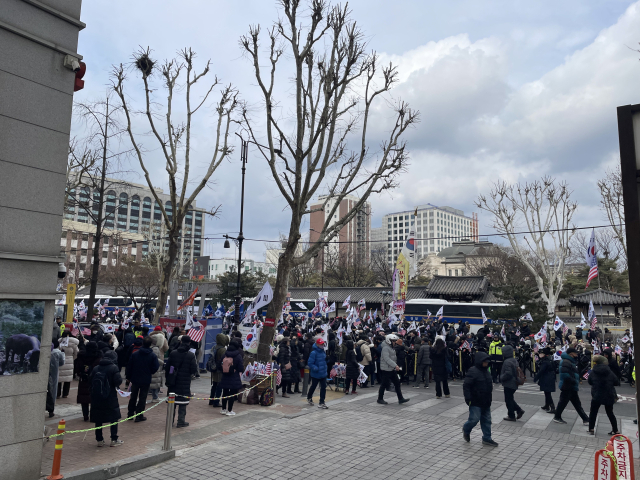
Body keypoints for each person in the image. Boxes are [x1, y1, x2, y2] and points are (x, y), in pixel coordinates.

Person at [462, 352, 498, 446]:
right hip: (475, 400)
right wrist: (468, 398)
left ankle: (487, 438)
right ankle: (466, 429)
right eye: (484, 362)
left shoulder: (487, 371)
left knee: (487, 420)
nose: (486, 363)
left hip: (486, 400)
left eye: (487, 362)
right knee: (474, 419)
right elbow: (466, 386)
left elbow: (489, 386)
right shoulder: (473, 371)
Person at [90, 350, 124, 447]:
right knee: (114, 418)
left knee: (98, 419)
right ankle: (114, 439)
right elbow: (118, 381)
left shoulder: (96, 368)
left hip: (97, 397)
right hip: (110, 396)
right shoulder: (113, 368)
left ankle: (99, 439)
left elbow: (90, 380)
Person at [165, 335, 198, 427]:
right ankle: (181, 421)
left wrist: (168, 377)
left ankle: (170, 421)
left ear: (180, 342)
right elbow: (193, 369)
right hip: (185, 381)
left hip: (173, 381)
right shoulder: (191, 355)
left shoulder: (173, 353)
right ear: (189, 342)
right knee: (183, 401)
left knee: (172, 401)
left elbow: (167, 367)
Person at [125, 336, 159, 422]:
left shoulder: (135, 354)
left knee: (133, 396)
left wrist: (128, 377)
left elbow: (129, 366)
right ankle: (139, 415)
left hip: (135, 378)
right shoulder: (152, 355)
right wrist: (149, 372)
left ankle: (130, 413)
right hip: (146, 378)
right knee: (142, 397)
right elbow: (155, 367)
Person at [553, 348, 589, 425]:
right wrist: (574, 381)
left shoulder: (569, 361)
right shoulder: (566, 362)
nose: (577, 355)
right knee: (564, 403)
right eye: (575, 353)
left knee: (576, 403)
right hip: (567, 385)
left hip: (570, 385)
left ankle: (585, 419)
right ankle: (557, 417)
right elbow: (565, 375)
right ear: (571, 354)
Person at [588, 355, 620, 435]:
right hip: (608, 393)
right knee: (610, 413)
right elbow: (616, 382)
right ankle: (615, 430)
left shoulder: (593, 371)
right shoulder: (609, 371)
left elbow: (590, 381)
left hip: (596, 393)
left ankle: (591, 428)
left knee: (593, 412)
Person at [377, 334, 410, 405]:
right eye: (394, 341)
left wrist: (395, 365)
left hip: (391, 368)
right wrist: (395, 365)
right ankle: (380, 399)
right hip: (386, 369)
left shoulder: (391, 347)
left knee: (397, 383)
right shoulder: (386, 348)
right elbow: (387, 359)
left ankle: (400, 398)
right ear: (389, 341)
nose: (395, 342)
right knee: (384, 384)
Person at [75, 341, 102, 421]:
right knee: (94, 398)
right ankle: (93, 415)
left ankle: (85, 415)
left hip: (84, 379)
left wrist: (81, 373)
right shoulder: (98, 357)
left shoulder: (81, 356)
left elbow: (77, 368)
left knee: (84, 399)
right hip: (94, 380)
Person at [219, 339, 244, 416]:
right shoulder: (238, 356)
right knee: (232, 394)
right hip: (234, 377)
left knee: (225, 393)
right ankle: (230, 410)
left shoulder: (225, 354)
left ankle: (223, 409)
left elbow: (219, 365)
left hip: (225, 376)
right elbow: (241, 368)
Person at [500, 345, 525, 421]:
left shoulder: (507, 361)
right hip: (514, 382)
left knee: (508, 400)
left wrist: (501, 377)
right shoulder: (514, 360)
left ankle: (511, 415)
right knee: (510, 399)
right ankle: (519, 410)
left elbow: (508, 373)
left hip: (509, 383)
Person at [306, 338, 329, 409]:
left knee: (323, 388)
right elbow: (310, 363)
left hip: (323, 373)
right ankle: (309, 397)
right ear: (317, 344)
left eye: (323, 344)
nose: (322, 345)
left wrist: (328, 360)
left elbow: (324, 361)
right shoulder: (314, 353)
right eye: (321, 344)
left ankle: (322, 402)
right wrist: (315, 368)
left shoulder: (323, 352)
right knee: (313, 386)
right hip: (316, 373)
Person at [46, 339, 66, 417]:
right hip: (54, 373)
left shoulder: (44, 351)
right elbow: (62, 362)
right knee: (53, 390)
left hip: (44, 373)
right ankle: (51, 409)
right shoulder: (58, 353)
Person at [533, 347, 556, 414]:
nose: (540, 354)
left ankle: (552, 407)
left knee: (547, 393)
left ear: (544, 354)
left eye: (541, 353)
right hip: (549, 377)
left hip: (547, 378)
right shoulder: (549, 359)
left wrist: (536, 378)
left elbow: (541, 371)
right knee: (546, 392)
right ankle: (547, 405)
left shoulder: (545, 361)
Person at [57, 331, 79, 398]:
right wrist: (72, 358)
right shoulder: (74, 344)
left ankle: (57, 394)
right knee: (68, 379)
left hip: (60, 361)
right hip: (70, 361)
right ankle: (65, 394)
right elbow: (76, 353)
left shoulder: (60, 342)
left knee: (59, 379)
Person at [209, 334, 228, 408]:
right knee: (219, 386)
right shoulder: (222, 349)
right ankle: (216, 402)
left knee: (214, 385)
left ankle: (211, 400)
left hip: (214, 368)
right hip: (220, 369)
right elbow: (224, 359)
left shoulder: (214, 347)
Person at [148, 331, 165, 402]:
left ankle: (155, 396)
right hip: (156, 367)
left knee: (154, 382)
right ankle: (155, 397)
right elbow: (155, 358)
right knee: (155, 383)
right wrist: (162, 363)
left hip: (153, 367)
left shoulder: (152, 347)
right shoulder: (155, 348)